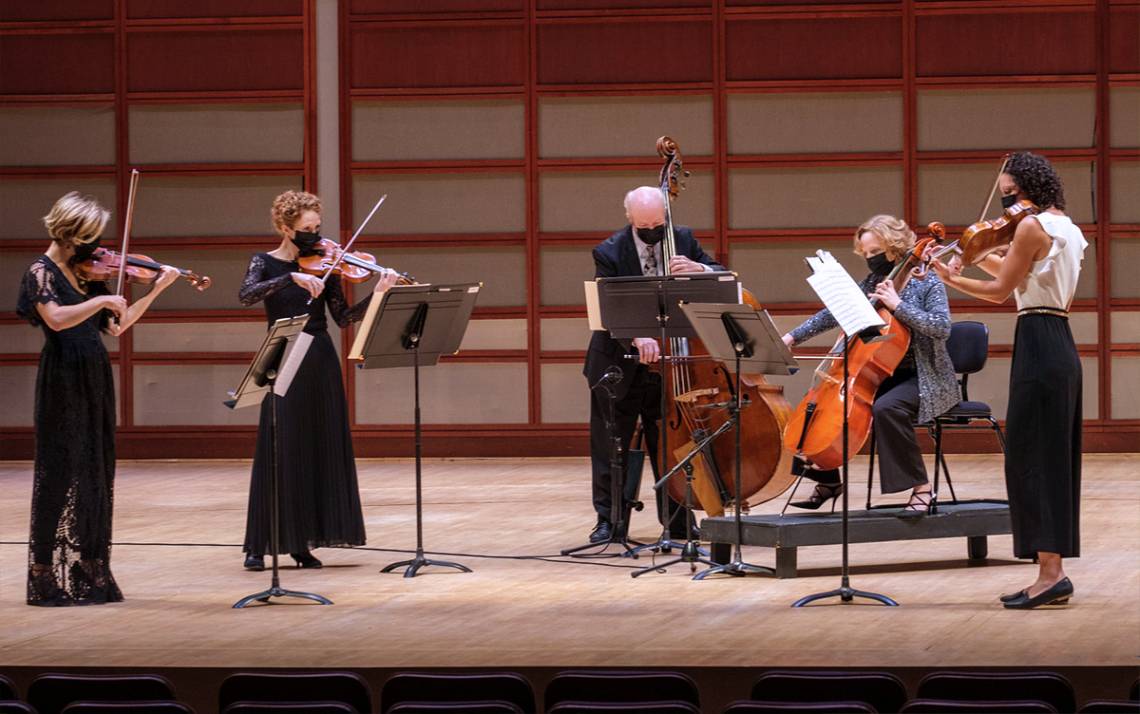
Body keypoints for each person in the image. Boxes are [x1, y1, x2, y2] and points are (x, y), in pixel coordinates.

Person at [930, 152, 1085, 609]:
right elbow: (1020, 276)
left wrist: (948, 277)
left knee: (1033, 459)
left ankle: (1051, 574)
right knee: (1045, 458)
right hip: (1057, 340)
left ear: (1021, 186)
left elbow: (1001, 292)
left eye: (1007, 193)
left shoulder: (1031, 227)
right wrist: (975, 260)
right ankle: (1049, 571)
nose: (1004, 203)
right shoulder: (1066, 227)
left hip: (1039, 341)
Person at [18, 192, 180, 606]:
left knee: (95, 471)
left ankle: (90, 565)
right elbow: (54, 319)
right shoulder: (41, 272)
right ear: (70, 234)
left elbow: (117, 327)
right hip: (63, 377)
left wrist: (156, 289)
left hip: (94, 376)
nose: (97, 247)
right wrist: (102, 299)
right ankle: (41, 571)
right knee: (58, 473)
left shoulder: (86, 273)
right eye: (89, 237)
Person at [238, 190, 399, 570]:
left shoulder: (324, 266)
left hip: (320, 356)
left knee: (315, 445)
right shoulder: (264, 263)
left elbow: (342, 318)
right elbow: (246, 295)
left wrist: (377, 294)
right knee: (278, 448)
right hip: (282, 352)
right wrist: (289, 278)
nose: (315, 235)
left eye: (317, 227)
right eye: (305, 229)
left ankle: (301, 542)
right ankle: (258, 546)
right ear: (284, 227)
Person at [782, 215, 959, 516]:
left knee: (886, 408)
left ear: (894, 246)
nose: (869, 259)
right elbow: (833, 313)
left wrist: (897, 305)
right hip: (881, 373)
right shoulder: (873, 282)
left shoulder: (925, 280)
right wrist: (793, 336)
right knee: (827, 407)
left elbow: (942, 327)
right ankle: (827, 478)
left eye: (875, 251)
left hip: (925, 377)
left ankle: (922, 489)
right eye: (864, 254)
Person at [582, 185, 725, 544]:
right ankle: (610, 522)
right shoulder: (610, 252)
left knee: (672, 443)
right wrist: (636, 336)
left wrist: (699, 268)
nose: (652, 230)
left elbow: (722, 276)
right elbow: (608, 305)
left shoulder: (683, 240)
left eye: (658, 223)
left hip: (672, 363)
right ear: (630, 219)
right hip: (619, 362)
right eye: (644, 224)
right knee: (611, 444)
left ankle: (678, 521)